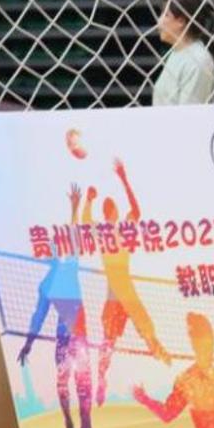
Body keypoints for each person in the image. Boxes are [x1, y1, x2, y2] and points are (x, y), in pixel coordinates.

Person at [84, 159, 170, 407]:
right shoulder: (104, 232)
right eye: (110, 209)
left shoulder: (120, 230)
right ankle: (103, 378)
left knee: (124, 335)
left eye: (110, 208)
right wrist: (92, 198)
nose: (112, 212)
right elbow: (88, 221)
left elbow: (135, 210)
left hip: (121, 289)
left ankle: (155, 352)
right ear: (110, 213)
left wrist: (120, 180)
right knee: (112, 340)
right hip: (118, 291)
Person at [18, 185, 94, 428]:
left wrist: (74, 208)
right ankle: (70, 424)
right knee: (66, 384)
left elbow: (72, 237)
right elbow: (38, 317)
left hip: (76, 336)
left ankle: (84, 422)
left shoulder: (67, 267)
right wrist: (28, 343)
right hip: (68, 337)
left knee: (79, 383)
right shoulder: (48, 284)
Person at [153, 0, 214, 106]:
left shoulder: (198, 60)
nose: (159, 21)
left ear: (181, 21)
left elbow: (190, 114)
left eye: (166, 15)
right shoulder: (177, 53)